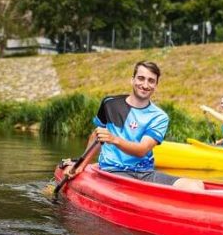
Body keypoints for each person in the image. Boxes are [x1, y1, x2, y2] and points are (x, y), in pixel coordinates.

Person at [61, 61, 205, 191]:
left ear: (156, 85)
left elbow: (142, 150)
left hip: (145, 173)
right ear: (133, 80)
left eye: (151, 81)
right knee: (137, 191)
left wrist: (114, 139)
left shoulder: (159, 116)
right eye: (141, 78)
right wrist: (81, 164)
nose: (145, 85)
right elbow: (96, 136)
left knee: (195, 185)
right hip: (114, 171)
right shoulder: (110, 103)